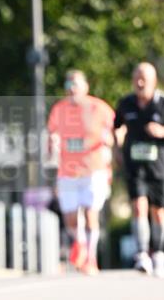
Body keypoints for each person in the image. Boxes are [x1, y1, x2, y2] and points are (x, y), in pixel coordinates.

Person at [46, 70, 114, 275]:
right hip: (68, 171)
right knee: (70, 218)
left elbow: (116, 130)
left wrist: (111, 140)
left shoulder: (99, 107)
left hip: (94, 170)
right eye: (68, 85)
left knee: (90, 214)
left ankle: (91, 258)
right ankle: (80, 244)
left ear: (85, 87)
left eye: (75, 84)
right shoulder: (59, 109)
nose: (72, 88)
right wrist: (52, 144)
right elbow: (52, 133)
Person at [114, 62, 164, 277]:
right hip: (135, 165)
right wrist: (116, 148)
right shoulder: (126, 103)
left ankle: (159, 253)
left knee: (159, 213)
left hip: (159, 165)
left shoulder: (162, 102)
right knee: (138, 206)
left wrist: (162, 131)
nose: (140, 82)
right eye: (137, 78)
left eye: (144, 78)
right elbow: (116, 127)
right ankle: (142, 253)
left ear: (154, 80)